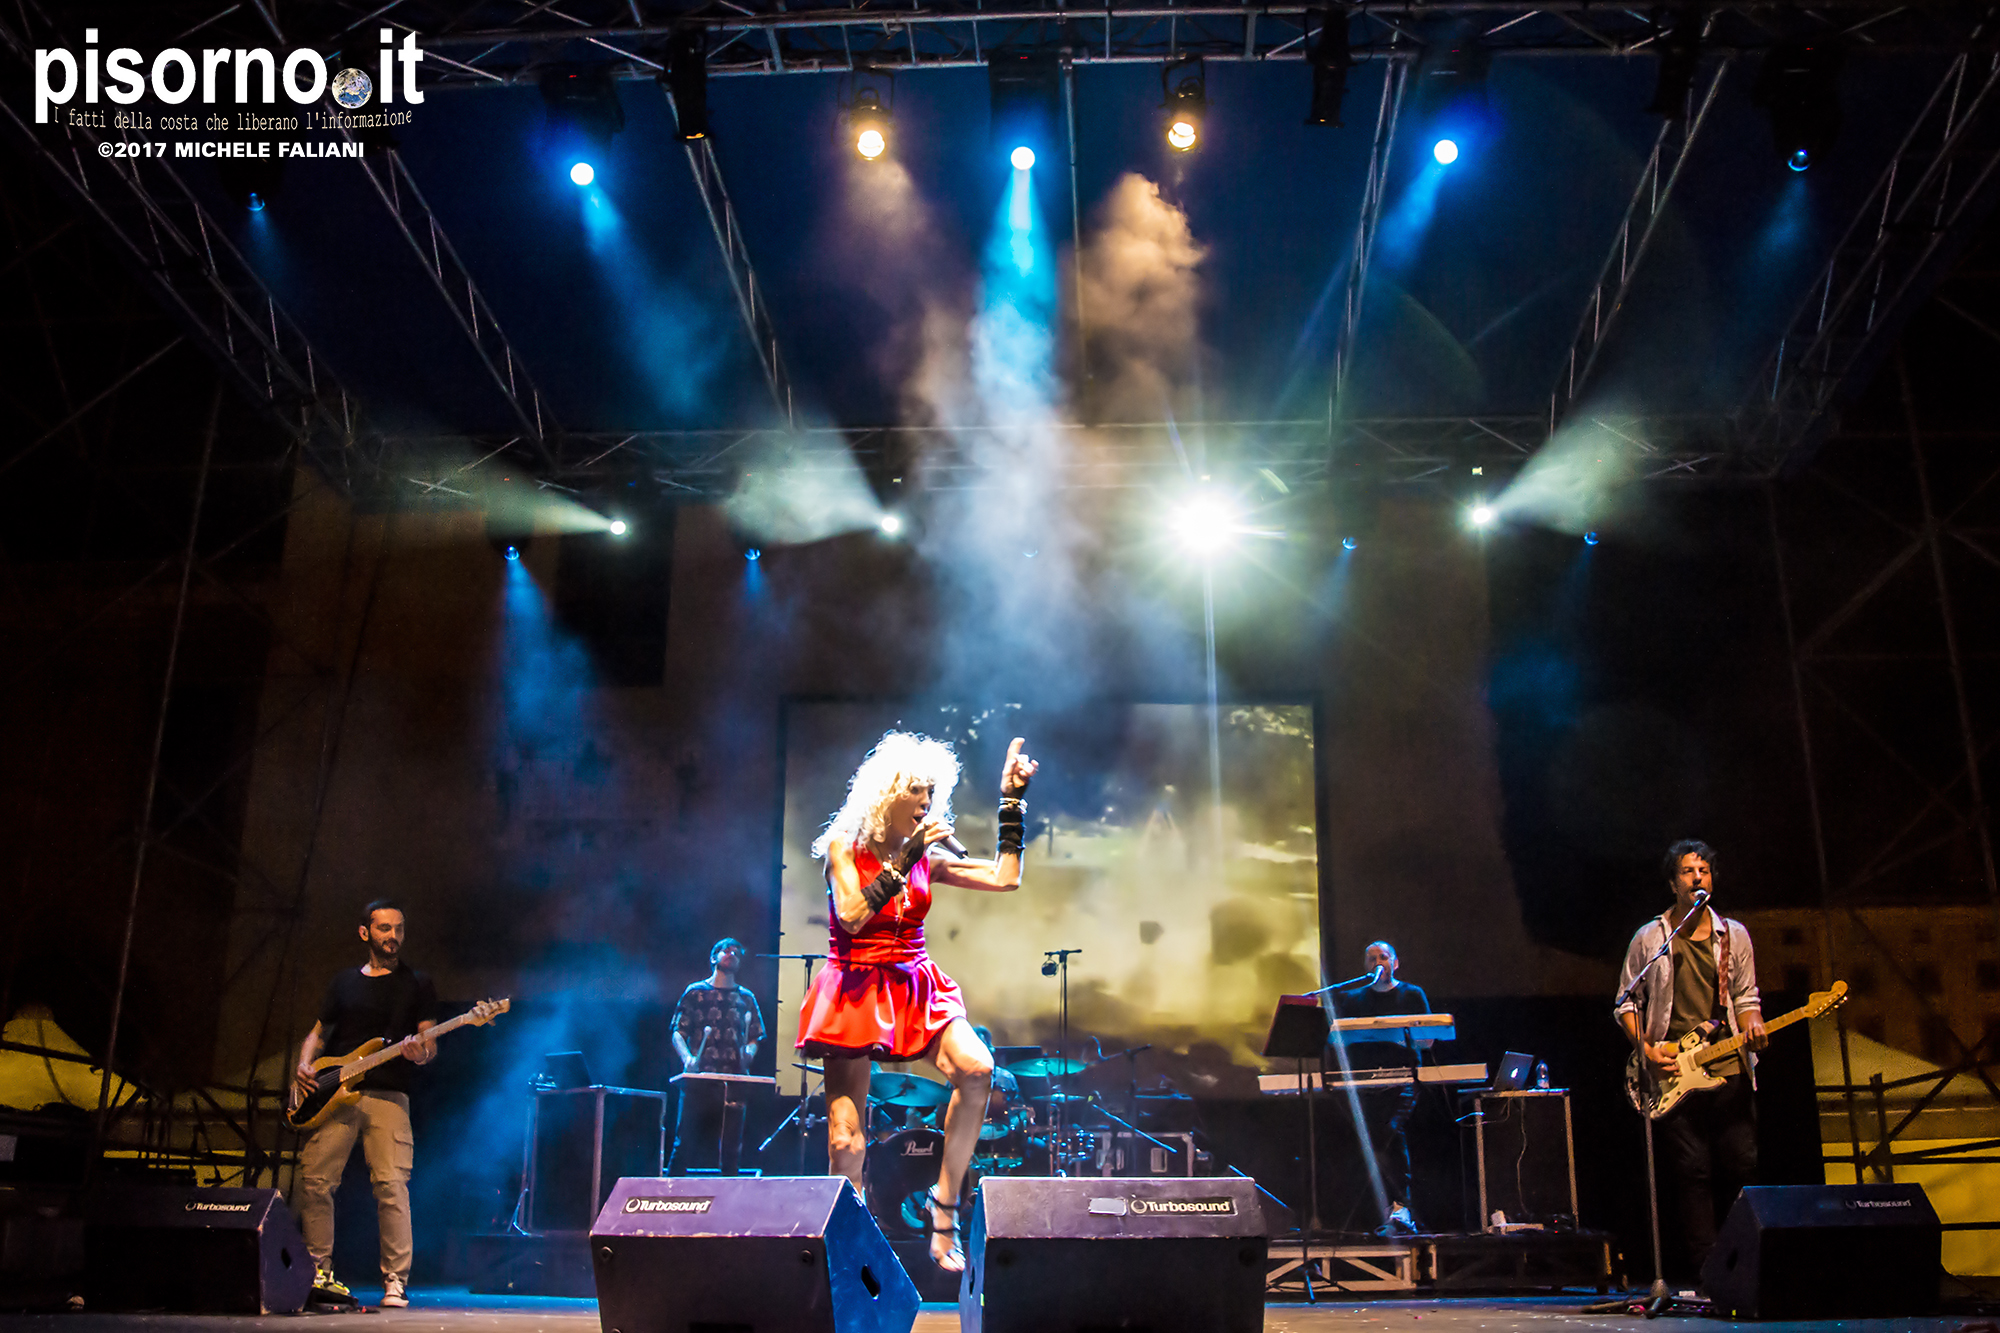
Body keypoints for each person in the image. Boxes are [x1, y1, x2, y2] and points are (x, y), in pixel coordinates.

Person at [797, 731, 1038, 1272]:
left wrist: (1012, 800)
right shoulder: (843, 847)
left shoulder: (926, 856)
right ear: (886, 793)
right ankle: (849, 1252)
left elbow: (1006, 878)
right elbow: (852, 916)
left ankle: (944, 1209)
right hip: (856, 985)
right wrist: (906, 859)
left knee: (977, 1070)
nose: (927, 801)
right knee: (845, 1143)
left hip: (914, 982)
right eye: (917, 790)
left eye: (932, 791)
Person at [1615, 840, 1767, 1277]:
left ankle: (1747, 1265)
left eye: (1704, 870)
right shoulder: (1651, 938)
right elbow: (1626, 1002)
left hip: (1728, 1065)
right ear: (1673, 883)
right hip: (1675, 1072)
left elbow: (1746, 997)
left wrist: (1754, 1023)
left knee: (1742, 1166)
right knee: (1692, 1172)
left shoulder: (1733, 935)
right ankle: (1708, 1271)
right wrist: (1645, 1049)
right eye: (1688, 870)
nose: (1697, 876)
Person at [292, 900, 436, 1308]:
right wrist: (304, 1064)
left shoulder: (417, 983)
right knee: (315, 1181)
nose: (393, 936)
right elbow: (318, 1033)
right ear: (365, 933)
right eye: (384, 928)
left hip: (389, 1095)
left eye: (399, 929)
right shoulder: (343, 982)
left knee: (391, 1186)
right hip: (335, 1095)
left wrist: (420, 1053)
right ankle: (318, 1272)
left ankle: (395, 1281)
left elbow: (429, 1043)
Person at [1327, 940, 1433, 1235]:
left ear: (1395, 963)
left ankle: (1401, 1208)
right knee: (1369, 1143)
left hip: (1402, 1080)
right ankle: (1384, 1213)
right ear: (1365, 966)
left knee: (1390, 1132)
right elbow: (1338, 1040)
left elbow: (1428, 1040)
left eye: (1383, 957)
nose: (1378, 962)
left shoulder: (1412, 994)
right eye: (1371, 958)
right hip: (1363, 1084)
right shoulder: (1352, 999)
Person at [668, 937, 766, 1176]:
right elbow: (678, 1032)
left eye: (736, 953)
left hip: (734, 1080)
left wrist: (749, 1053)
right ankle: (670, 1192)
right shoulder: (695, 992)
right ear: (713, 958)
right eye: (726, 950)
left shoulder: (746, 998)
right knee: (684, 1143)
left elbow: (755, 1037)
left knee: (731, 1150)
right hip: (699, 1079)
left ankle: (729, 1196)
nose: (732, 954)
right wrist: (687, 1058)